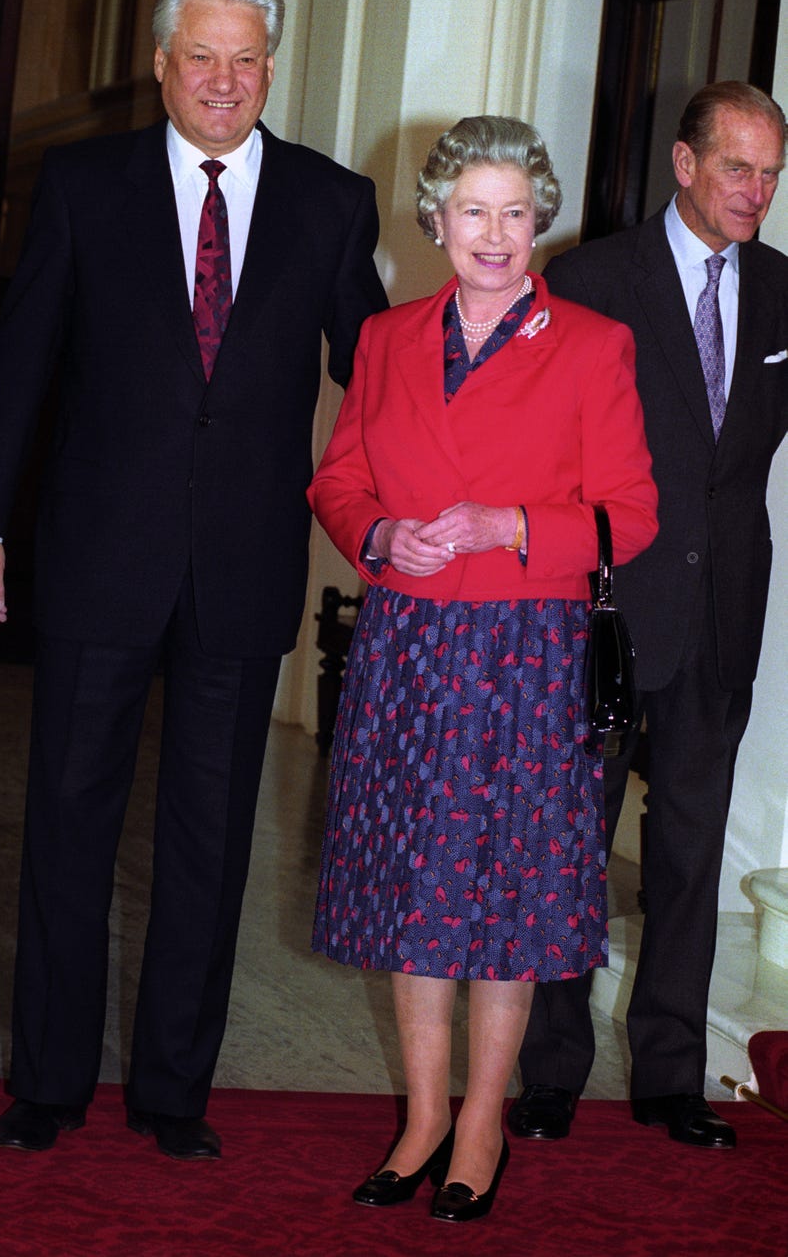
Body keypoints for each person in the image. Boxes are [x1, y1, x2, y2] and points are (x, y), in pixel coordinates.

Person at [0, 0, 388, 1159]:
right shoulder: (83, 185)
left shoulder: (326, 200)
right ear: (160, 65)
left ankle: (172, 1094)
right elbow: (27, 356)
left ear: (270, 67)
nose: (221, 79)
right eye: (199, 56)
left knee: (209, 839)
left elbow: (376, 377)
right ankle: (46, 1080)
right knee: (66, 820)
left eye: (243, 59)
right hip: (100, 550)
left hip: (245, 565)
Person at [308, 115, 658, 1222]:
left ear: (537, 219)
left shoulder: (592, 344)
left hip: (525, 654)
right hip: (409, 645)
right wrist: (377, 539)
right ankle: (418, 1117)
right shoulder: (387, 338)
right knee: (413, 892)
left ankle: (479, 1124)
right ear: (436, 221)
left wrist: (509, 521)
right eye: (472, 212)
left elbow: (631, 513)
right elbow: (339, 479)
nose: (494, 235)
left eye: (514, 212)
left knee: (501, 900)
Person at [509, 81, 788, 1151]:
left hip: (719, 615)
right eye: (734, 168)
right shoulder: (588, 279)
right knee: (565, 849)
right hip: (601, 614)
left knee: (686, 851)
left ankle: (670, 1076)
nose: (752, 193)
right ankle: (549, 1072)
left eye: (768, 175)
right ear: (682, 164)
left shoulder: (776, 292)